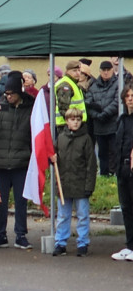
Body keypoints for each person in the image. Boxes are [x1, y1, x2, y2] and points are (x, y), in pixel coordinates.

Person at [0, 71, 34, 250]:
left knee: (21, 200)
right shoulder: (0, 107)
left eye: (11, 94)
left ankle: (21, 234)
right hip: (1, 162)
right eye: (6, 94)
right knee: (0, 201)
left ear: (19, 92)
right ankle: (0, 234)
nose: (8, 97)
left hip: (21, 161)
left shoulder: (31, 107)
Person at [51, 108, 97, 257]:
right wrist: (52, 159)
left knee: (83, 215)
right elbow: (56, 158)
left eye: (78, 119)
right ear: (66, 121)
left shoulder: (86, 139)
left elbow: (91, 165)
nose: (75, 122)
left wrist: (89, 186)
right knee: (63, 216)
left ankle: (82, 243)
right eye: (72, 119)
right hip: (64, 184)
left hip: (81, 184)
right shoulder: (61, 138)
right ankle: (60, 243)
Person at [85, 60, 120, 176]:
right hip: (99, 125)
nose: (105, 73)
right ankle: (104, 174)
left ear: (112, 70)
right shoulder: (93, 86)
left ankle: (115, 173)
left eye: (108, 70)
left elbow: (117, 102)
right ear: (99, 71)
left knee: (115, 151)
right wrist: (97, 115)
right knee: (102, 152)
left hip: (114, 124)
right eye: (103, 70)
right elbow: (88, 104)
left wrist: (104, 113)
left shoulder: (119, 84)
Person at [113, 86, 133, 261]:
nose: (130, 99)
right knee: (126, 208)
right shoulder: (122, 119)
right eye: (127, 96)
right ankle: (130, 246)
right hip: (122, 169)